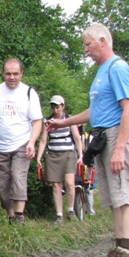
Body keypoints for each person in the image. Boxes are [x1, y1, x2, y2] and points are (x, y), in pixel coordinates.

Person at [46, 23, 129, 257]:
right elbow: (94, 111)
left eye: (88, 44)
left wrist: (120, 148)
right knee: (112, 198)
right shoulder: (101, 71)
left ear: (102, 41)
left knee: (125, 196)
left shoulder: (118, 67)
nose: (85, 50)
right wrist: (63, 122)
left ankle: (127, 253)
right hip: (102, 138)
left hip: (115, 135)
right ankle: (119, 249)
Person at [0, 58, 43, 225]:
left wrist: (32, 142)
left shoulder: (29, 93)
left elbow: (37, 121)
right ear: (3, 73)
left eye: (15, 74)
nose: (12, 77)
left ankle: (19, 215)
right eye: (8, 73)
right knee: (3, 184)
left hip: (22, 143)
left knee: (18, 177)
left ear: (22, 73)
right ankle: (11, 217)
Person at [36, 95, 83, 224]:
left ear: (62, 106)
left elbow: (77, 138)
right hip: (53, 154)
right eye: (53, 107)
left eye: (57, 107)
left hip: (69, 153)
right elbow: (43, 140)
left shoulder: (69, 119)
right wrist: (38, 157)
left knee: (69, 182)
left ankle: (71, 210)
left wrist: (80, 155)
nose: (55, 110)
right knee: (56, 185)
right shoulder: (48, 121)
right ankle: (59, 215)